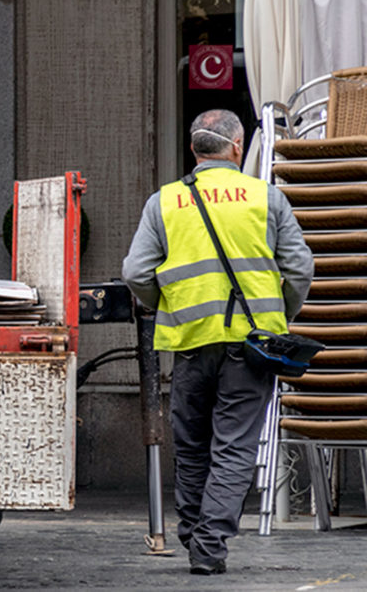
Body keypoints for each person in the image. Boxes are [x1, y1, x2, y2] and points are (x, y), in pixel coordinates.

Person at [122, 109, 313, 575]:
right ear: (237, 147)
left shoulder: (164, 202)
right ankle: (208, 545)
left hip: (189, 342)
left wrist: (169, 304)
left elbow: (135, 273)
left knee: (191, 446)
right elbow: (299, 269)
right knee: (234, 447)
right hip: (251, 347)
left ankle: (193, 533)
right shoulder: (265, 198)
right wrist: (280, 315)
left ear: (193, 149)